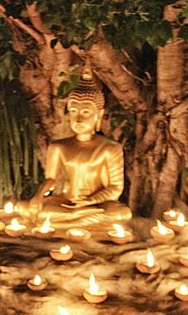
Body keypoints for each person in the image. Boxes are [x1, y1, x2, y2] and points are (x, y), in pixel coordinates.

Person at [17, 61, 132, 232]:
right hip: (65, 201)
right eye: (73, 111)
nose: (78, 119)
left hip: (96, 204)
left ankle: (66, 221)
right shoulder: (58, 147)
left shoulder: (110, 148)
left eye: (85, 112)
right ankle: (75, 219)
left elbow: (115, 188)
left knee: (122, 213)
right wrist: (39, 196)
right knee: (22, 207)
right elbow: (51, 179)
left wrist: (90, 201)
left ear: (98, 115)